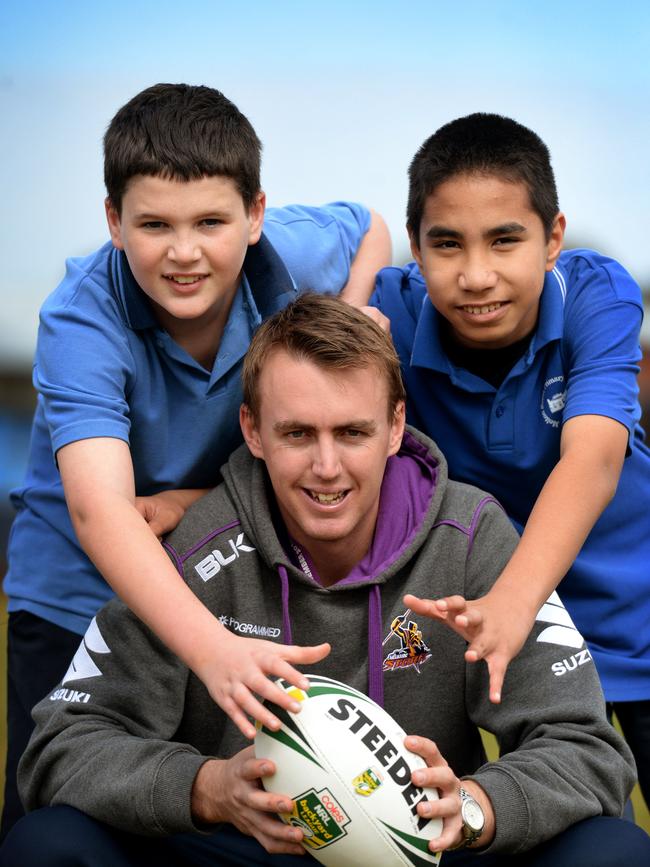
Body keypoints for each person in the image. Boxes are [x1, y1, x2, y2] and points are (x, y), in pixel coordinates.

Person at [3, 294, 648, 867]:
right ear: (253, 430)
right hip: (246, 844)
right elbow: (61, 749)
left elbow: (588, 747)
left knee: (613, 850)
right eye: (297, 433)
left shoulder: (472, 537)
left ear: (396, 426)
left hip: (423, 850)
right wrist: (209, 791)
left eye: (353, 432)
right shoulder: (195, 548)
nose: (327, 467)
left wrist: (476, 807)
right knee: (46, 844)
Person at [1, 82, 391, 837]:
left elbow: (371, 227)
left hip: (219, 574)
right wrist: (213, 651)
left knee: (208, 814)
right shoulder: (81, 318)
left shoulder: (297, 246)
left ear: (254, 216)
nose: (184, 252)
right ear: (114, 221)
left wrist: (350, 317)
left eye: (211, 221)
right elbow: (99, 509)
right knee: (53, 812)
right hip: (75, 591)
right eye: (154, 224)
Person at [370, 112, 650, 805]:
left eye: (505, 240)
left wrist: (515, 600)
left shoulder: (595, 294)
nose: (475, 274)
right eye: (447, 243)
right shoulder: (392, 316)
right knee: (556, 825)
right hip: (503, 637)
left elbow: (593, 458)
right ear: (415, 246)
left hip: (632, 617)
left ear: (553, 239)